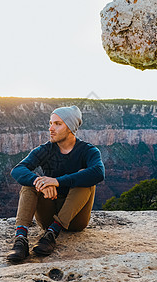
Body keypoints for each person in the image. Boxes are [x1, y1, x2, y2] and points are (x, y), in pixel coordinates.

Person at [7, 105, 105, 262]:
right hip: (47, 216)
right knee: (31, 183)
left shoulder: (88, 151)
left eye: (58, 124)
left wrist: (57, 181)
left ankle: (52, 234)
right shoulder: (46, 149)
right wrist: (41, 183)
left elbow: (99, 173)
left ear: (70, 127)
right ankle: (21, 239)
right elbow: (18, 170)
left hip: (76, 219)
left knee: (85, 179)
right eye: (50, 123)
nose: (51, 129)